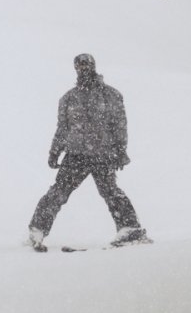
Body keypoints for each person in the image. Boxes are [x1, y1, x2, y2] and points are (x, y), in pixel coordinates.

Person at [28, 54, 150, 251]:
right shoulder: (68, 98)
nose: (83, 68)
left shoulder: (110, 95)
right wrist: (55, 151)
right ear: (75, 68)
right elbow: (62, 128)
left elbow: (120, 125)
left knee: (111, 192)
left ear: (93, 66)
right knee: (58, 192)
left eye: (86, 64)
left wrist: (120, 151)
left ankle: (130, 229)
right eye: (79, 65)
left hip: (103, 154)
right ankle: (37, 230)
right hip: (76, 155)